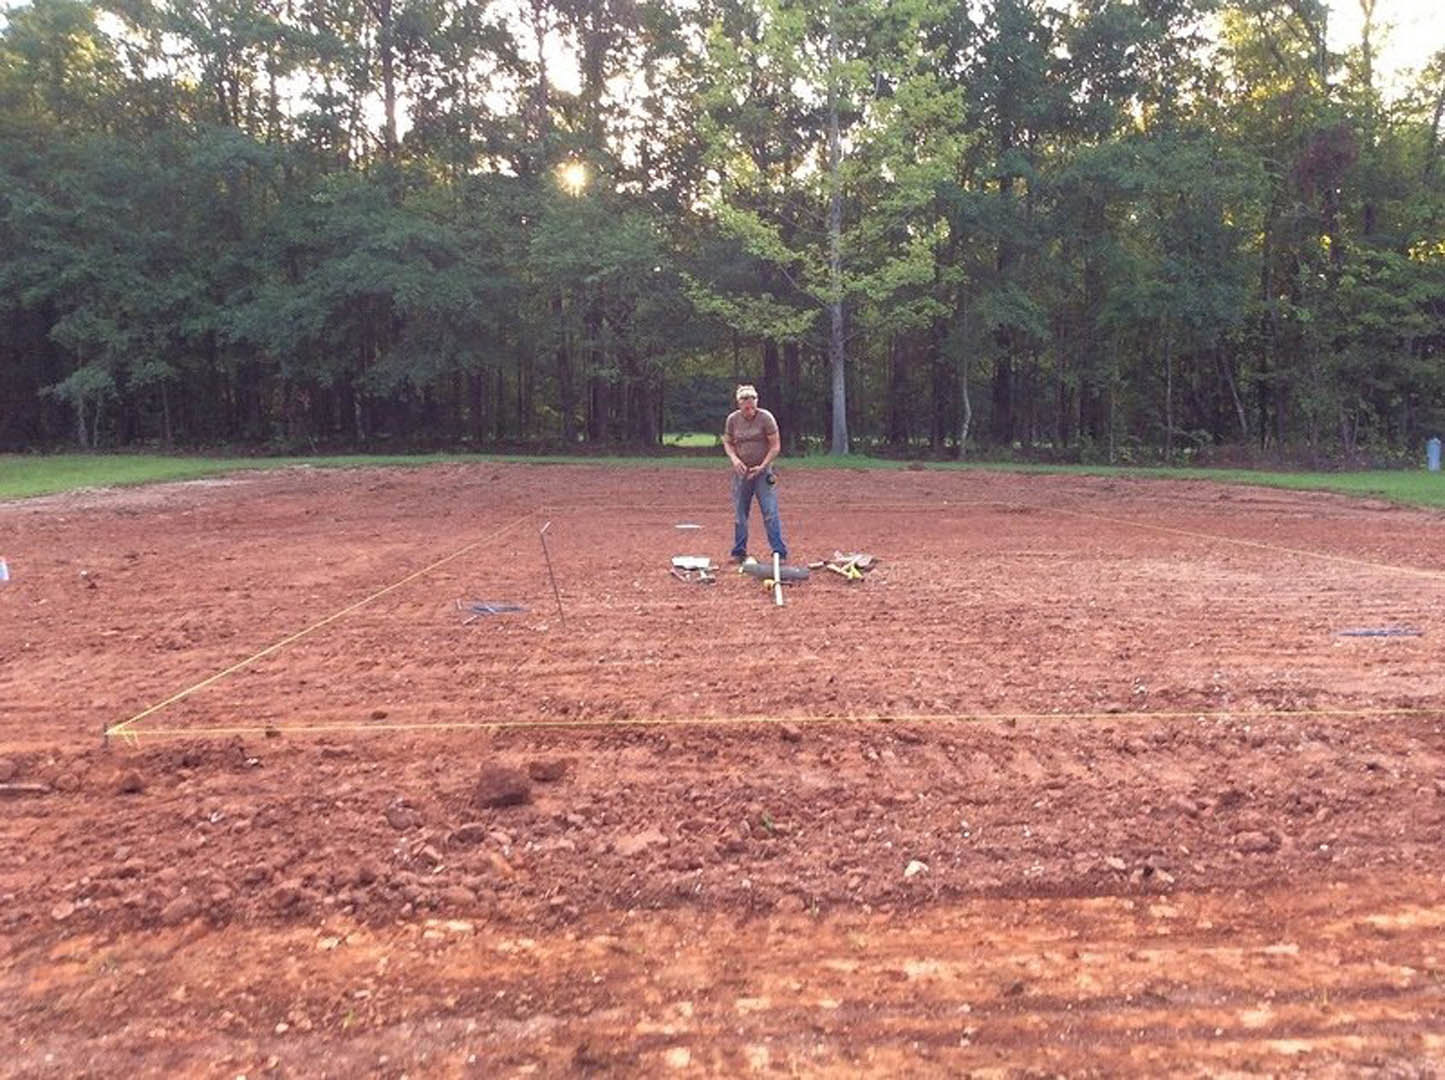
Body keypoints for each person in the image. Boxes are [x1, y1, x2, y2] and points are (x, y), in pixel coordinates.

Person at [722, 384, 787, 562]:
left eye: (752, 406)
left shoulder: (766, 418)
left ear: (756, 402)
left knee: (769, 511)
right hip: (741, 472)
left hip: (763, 471)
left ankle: (779, 551)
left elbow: (775, 446)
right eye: (746, 408)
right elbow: (728, 442)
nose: (749, 411)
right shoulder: (733, 420)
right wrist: (735, 460)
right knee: (740, 512)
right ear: (739, 405)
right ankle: (739, 551)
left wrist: (763, 465)